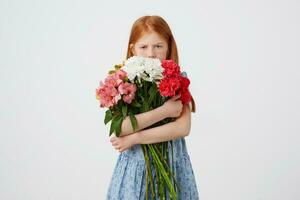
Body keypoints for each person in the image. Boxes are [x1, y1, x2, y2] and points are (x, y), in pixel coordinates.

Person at [106, 15, 199, 199]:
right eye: (143, 47)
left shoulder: (177, 77)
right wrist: (164, 111)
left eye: (158, 46)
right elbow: (120, 128)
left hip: (172, 167)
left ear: (168, 47)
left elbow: (183, 127)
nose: (150, 53)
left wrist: (136, 137)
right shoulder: (124, 82)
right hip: (136, 169)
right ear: (132, 49)